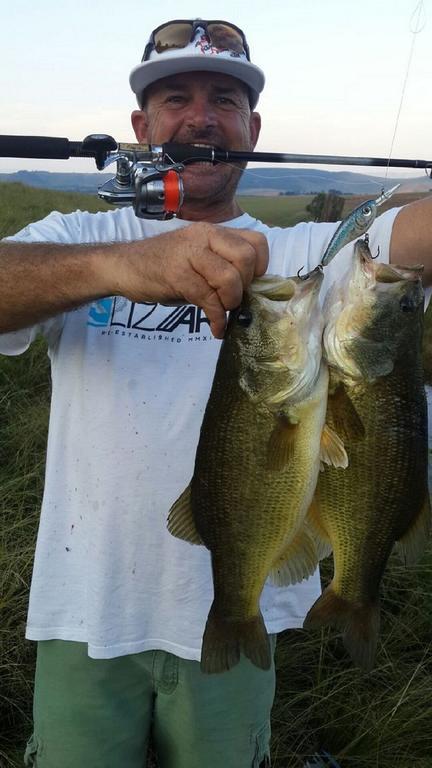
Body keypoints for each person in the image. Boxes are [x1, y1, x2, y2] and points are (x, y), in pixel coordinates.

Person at [0, 18, 431, 768]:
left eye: (225, 99)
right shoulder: (78, 235)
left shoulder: (303, 260)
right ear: (141, 126)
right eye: (176, 98)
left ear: (252, 128)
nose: (201, 116)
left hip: (241, 601)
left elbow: (412, 245)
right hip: (86, 610)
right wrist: (121, 265)